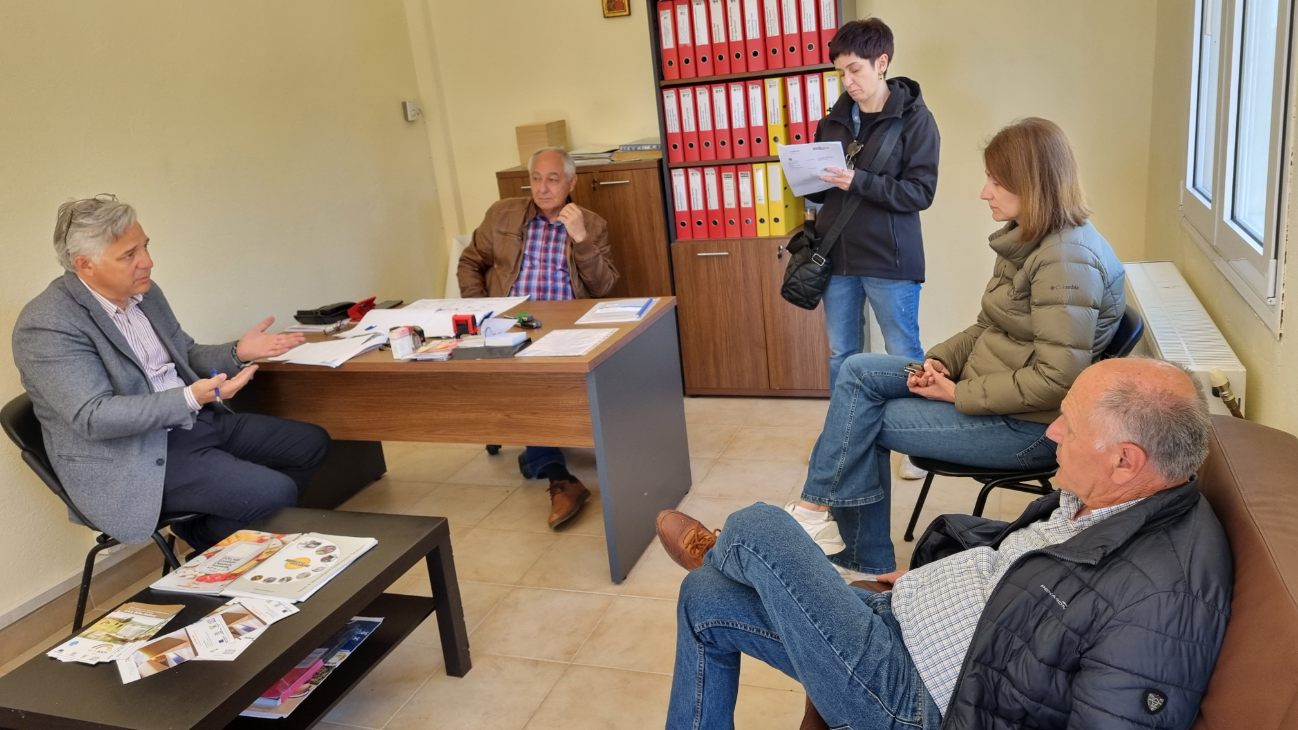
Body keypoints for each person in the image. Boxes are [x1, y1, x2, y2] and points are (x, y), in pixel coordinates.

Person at [656, 357, 1232, 729]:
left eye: (1069, 424)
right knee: (705, 598)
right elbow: (1017, 569)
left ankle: (729, 551)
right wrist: (929, 580)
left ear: (1126, 461)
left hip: (911, 700)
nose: (1052, 432)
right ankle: (733, 563)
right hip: (900, 626)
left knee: (763, 528)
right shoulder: (1103, 499)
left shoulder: (1162, 599)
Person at [781, 117, 1126, 581]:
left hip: (1028, 429)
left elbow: (1056, 380)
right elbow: (988, 325)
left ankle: (850, 547)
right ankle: (817, 514)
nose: (985, 192)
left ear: (1033, 184)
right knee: (858, 370)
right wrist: (940, 360)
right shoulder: (1031, 238)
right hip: (990, 390)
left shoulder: (1067, 260)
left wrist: (955, 394)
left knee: (864, 420)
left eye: (996, 181)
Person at [12, 195, 331, 554]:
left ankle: (209, 534)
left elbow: (185, 353)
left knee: (310, 445)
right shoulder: (48, 324)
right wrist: (190, 397)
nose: (147, 262)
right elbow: (93, 416)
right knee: (274, 492)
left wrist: (238, 352)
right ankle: (217, 545)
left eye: (145, 247)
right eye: (129, 255)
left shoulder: (145, 294)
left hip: (192, 423)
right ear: (85, 265)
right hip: (133, 456)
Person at [458, 146, 619, 528]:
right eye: (536, 179)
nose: (543, 188)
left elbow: (605, 287)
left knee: (539, 386)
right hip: (512, 324)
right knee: (528, 384)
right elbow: (470, 262)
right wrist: (485, 313)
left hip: (565, 326)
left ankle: (541, 460)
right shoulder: (503, 214)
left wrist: (581, 240)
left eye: (553, 179)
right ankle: (558, 476)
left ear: (571, 183)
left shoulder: (591, 223)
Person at [810, 18, 940, 391]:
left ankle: (913, 426)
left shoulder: (915, 120)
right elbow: (822, 196)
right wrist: (808, 182)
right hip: (837, 257)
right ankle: (845, 427)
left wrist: (858, 181)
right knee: (841, 354)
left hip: (890, 259)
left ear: (881, 62)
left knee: (903, 352)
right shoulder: (832, 122)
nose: (847, 81)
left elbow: (920, 193)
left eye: (854, 70)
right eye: (841, 73)